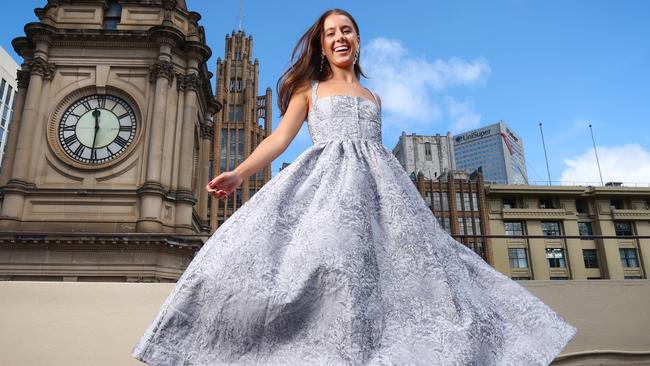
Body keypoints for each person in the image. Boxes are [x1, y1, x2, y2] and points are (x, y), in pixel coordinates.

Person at [131, 8, 577, 365]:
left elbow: (375, 147)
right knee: (324, 264)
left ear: (357, 40)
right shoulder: (310, 88)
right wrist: (240, 172)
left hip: (382, 190)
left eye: (348, 30)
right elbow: (280, 138)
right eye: (331, 33)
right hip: (327, 183)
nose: (340, 37)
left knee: (409, 270)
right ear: (322, 46)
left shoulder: (373, 97)